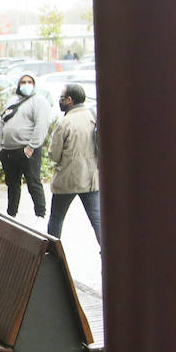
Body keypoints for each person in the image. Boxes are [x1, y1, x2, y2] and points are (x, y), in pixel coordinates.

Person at [46, 84, 102, 246]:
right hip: (91, 178)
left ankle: (52, 251)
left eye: (62, 98)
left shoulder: (65, 123)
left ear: (70, 100)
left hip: (66, 180)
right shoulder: (93, 116)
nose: (60, 101)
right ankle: (106, 249)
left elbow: (54, 155)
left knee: (57, 218)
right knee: (96, 219)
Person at [0, 73, 54, 218]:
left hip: (27, 151)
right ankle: (11, 215)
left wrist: (31, 147)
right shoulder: (12, 101)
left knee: (33, 183)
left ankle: (40, 215)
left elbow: (41, 126)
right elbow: (1, 123)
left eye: (29, 82)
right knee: (12, 185)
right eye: (23, 82)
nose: (26, 84)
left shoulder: (39, 102)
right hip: (8, 151)